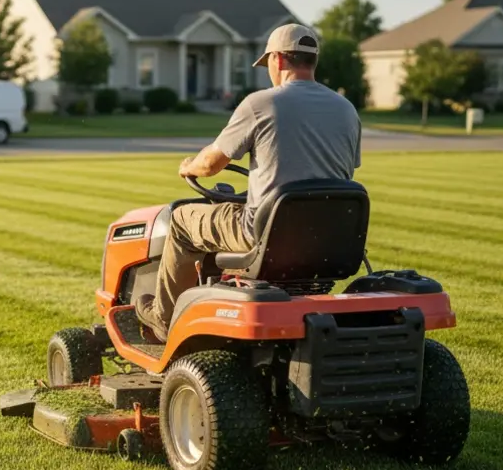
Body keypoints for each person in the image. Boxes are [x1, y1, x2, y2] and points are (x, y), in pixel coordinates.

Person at [133, 23, 362, 341]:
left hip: (265, 234)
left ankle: (163, 317)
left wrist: (189, 167)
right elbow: (343, 175)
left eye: (267, 61)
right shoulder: (347, 111)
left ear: (278, 60)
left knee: (182, 220)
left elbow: (212, 164)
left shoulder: (261, 104)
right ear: (312, 61)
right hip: (327, 240)